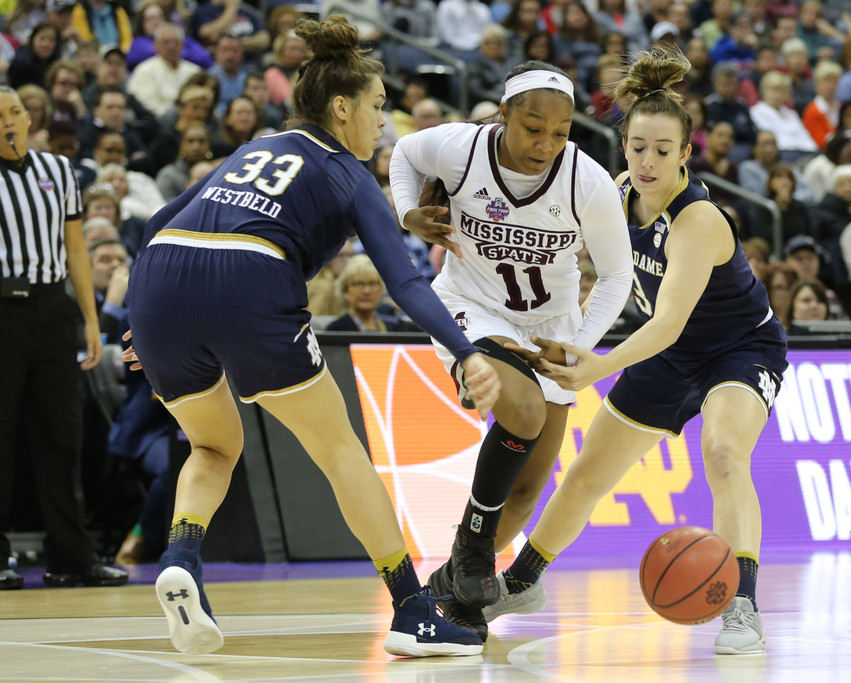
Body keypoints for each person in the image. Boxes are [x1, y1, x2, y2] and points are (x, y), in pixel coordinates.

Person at [122, 15, 499, 658]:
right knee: (340, 450)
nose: (384, 124)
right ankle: (412, 610)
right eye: (378, 106)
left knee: (213, 445)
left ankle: (182, 555)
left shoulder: (255, 148)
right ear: (342, 107)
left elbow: (161, 219)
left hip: (159, 280)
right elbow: (406, 284)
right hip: (249, 280)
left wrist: (143, 318)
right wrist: (465, 353)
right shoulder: (349, 173)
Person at [487, 48, 787, 656]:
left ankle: (742, 604)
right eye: (638, 147)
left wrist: (598, 364)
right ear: (623, 147)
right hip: (669, 354)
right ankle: (521, 582)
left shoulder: (698, 219)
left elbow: (669, 323)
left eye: (662, 150)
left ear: (685, 154)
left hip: (737, 349)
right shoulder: (618, 192)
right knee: (587, 474)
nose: (648, 161)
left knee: (724, 454)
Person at [389, 60, 633, 640]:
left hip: (551, 324)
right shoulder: (461, 148)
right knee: (521, 410)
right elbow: (403, 154)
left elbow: (617, 275)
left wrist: (577, 347)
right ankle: (473, 556)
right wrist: (407, 213)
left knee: (523, 495)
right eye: (532, 128)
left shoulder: (587, 180)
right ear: (503, 115)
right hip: (470, 306)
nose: (545, 144)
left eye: (560, 132)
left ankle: (452, 588)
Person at [0, 86, 128, 591]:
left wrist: (90, 320)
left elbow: (76, 249)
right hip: (2, 307)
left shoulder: (58, 171)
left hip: (53, 310)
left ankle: (71, 557)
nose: (10, 121)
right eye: (0, 115)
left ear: (28, 118)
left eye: (15, 111)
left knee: (62, 436)